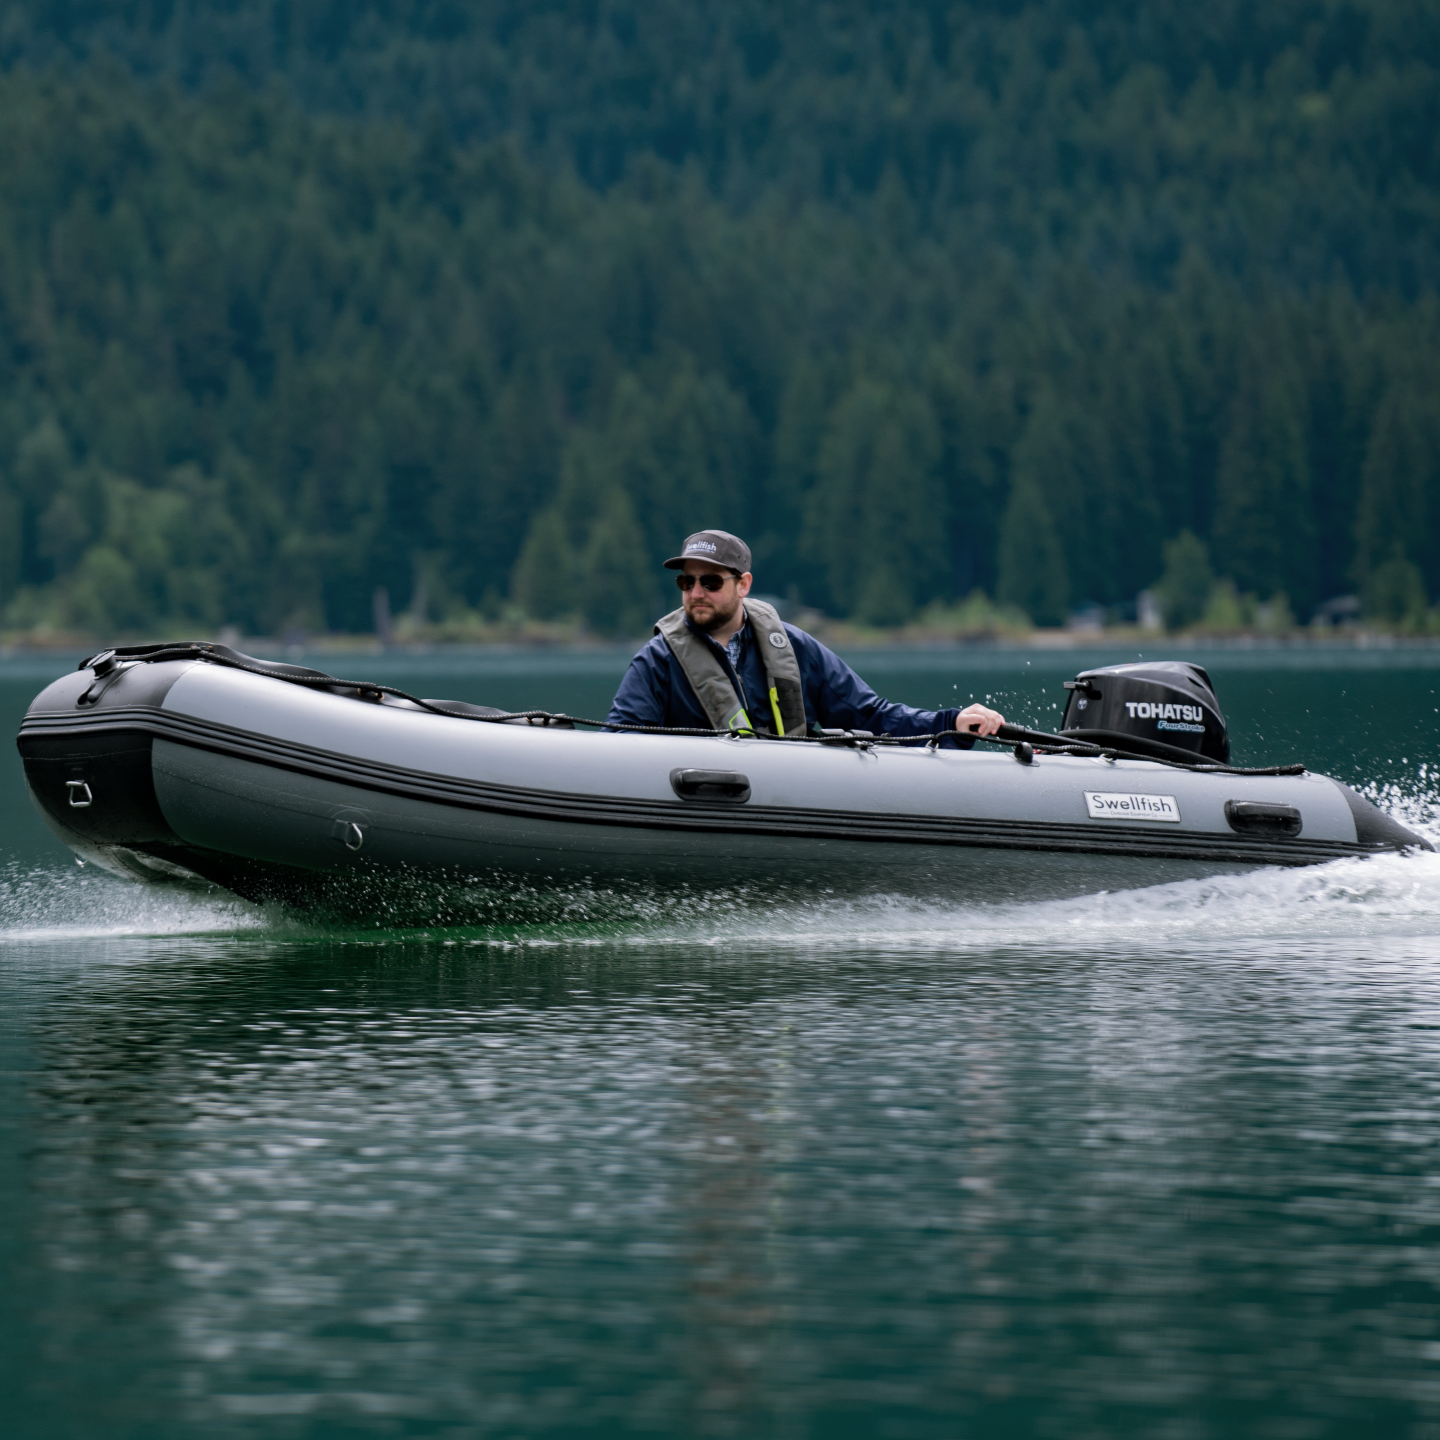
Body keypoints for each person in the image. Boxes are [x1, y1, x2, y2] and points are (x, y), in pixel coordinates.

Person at [607, 529, 1006, 743]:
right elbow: (620, 742)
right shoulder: (658, 659)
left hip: (788, 803)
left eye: (710, 581)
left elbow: (870, 715)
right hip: (700, 806)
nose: (695, 593)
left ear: (743, 584)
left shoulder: (794, 647)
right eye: (686, 580)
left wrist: (951, 721)